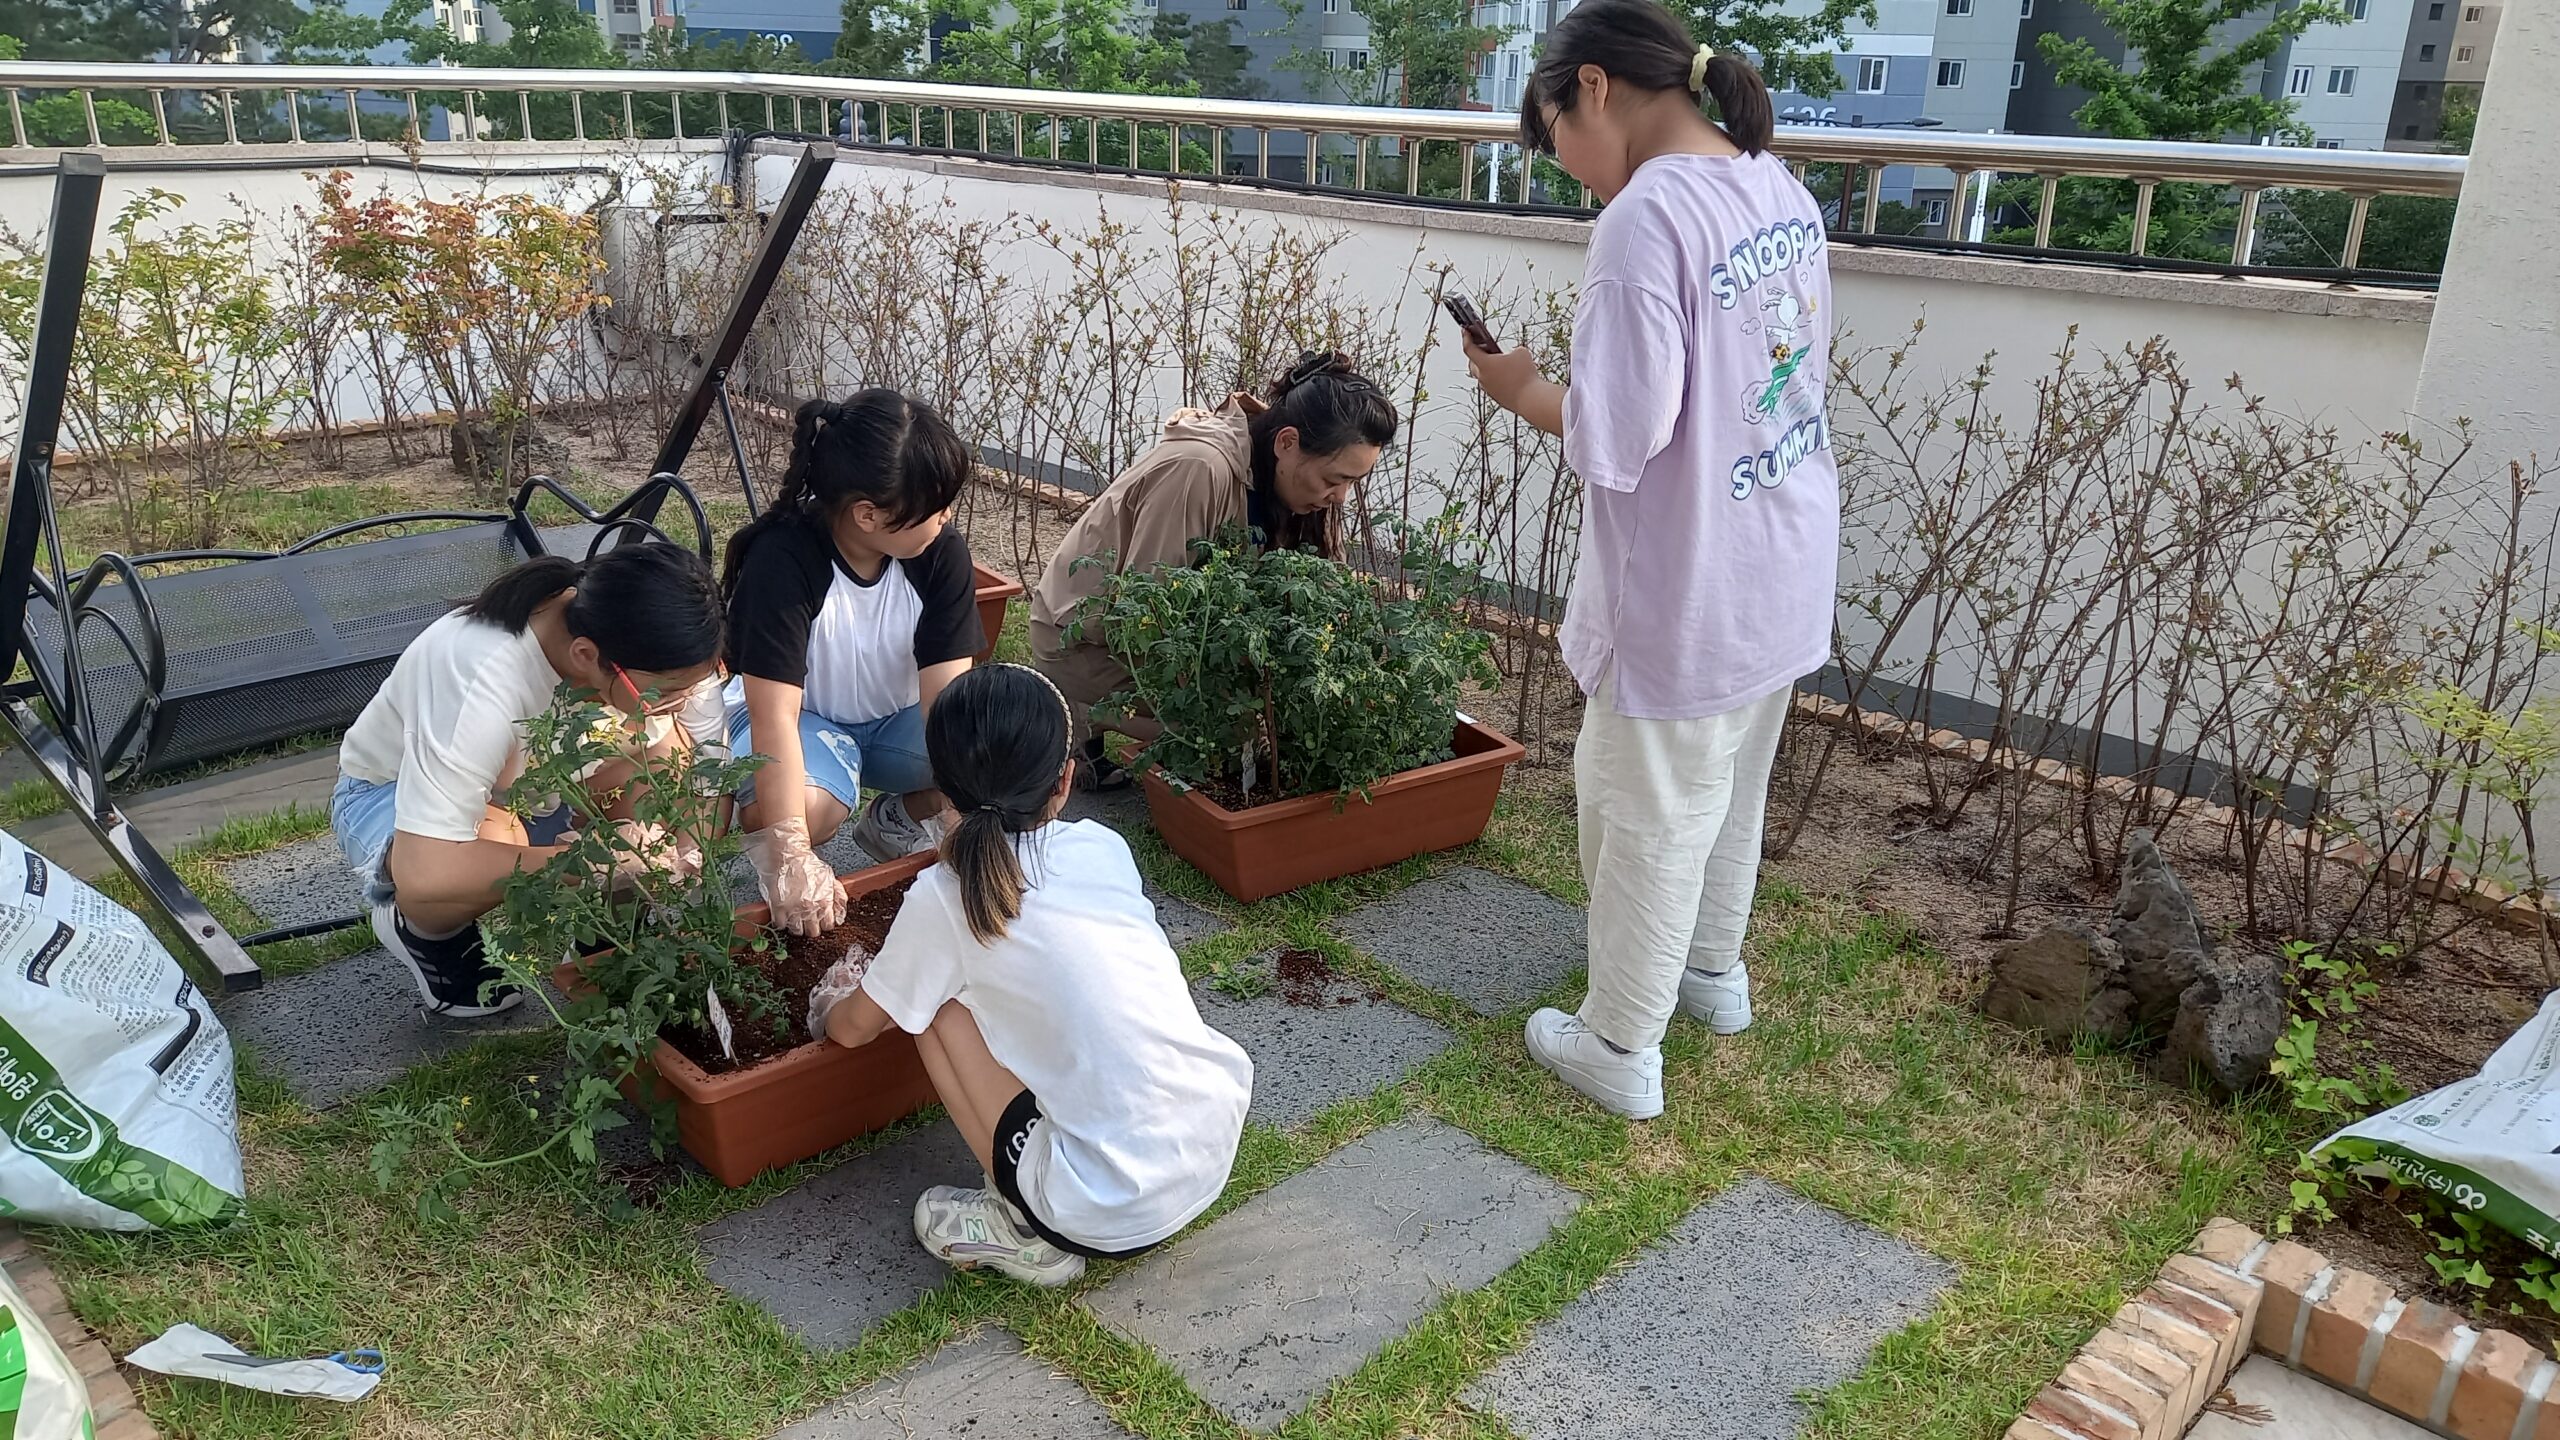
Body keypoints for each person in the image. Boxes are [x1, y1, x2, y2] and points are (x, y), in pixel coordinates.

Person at [1460, 0, 1840, 1120]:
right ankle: (1710, 980)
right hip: (1780, 547)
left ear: (1588, 87)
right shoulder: (1772, 183)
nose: (1567, 170)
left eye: (1552, 139)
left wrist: (1520, 388)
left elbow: (1618, 438)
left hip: (1688, 575)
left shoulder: (1643, 220)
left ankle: (1620, 1042)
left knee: (1644, 805)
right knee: (1726, 788)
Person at [814, 663, 1252, 1284]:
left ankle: (1022, 1232)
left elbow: (856, 1029)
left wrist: (831, 999)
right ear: (1066, 781)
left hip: (1105, 1208)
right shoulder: (1100, 847)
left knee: (933, 1006)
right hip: (1207, 1143)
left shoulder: (945, 897)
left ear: (940, 787)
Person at [333, 542, 729, 1016]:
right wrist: (587, 862)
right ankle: (426, 932)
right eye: (666, 692)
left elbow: (688, 766)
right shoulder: (481, 675)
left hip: (537, 788)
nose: (681, 702)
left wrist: (686, 857)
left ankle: (605, 935)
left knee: (663, 774)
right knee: (491, 839)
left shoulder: (634, 634)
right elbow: (430, 869)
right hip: (396, 801)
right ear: (586, 655)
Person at [1029, 351, 1397, 785]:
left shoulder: (1294, 481)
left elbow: (1317, 598)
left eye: (1353, 482)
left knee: (1280, 716)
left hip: (1171, 638)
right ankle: (1076, 708)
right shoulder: (1198, 469)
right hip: (1089, 644)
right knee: (1229, 731)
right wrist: (1237, 700)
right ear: (1287, 443)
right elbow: (1144, 613)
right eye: (1336, 480)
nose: (1341, 497)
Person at [722, 391, 984, 936]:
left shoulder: (939, 554)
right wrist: (791, 851)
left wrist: (965, 818)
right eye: (935, 506)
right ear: (868, 514)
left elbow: (947, 702)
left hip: (893, 723)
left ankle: (894, 823)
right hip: (800, 724)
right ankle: (786, 872)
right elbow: (774, 718)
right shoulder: (783, 561)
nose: (947, 517)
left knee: (989, 750)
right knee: (809, 809)